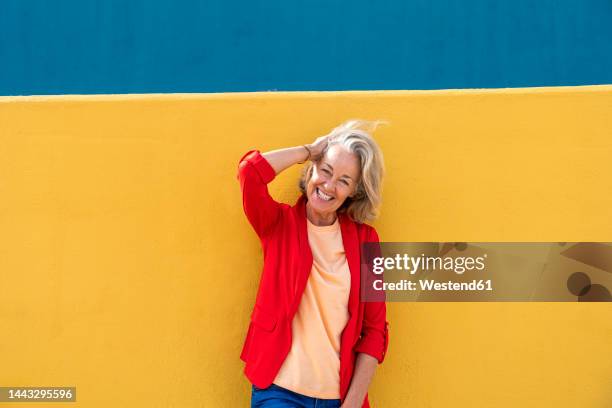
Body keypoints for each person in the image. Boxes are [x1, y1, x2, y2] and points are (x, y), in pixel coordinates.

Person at [237, 119, 389, 408]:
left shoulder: (367, 241)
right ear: (311, 170)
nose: (329, 186)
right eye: (325, 170)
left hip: (338, 397)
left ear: (354, 191)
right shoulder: (278, 224)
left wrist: (353, 402)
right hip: (279, 389)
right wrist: (309, 151)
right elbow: (250, 172)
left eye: (343, 181)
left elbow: (375, 331)